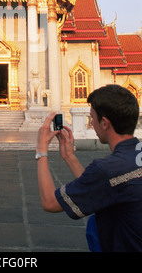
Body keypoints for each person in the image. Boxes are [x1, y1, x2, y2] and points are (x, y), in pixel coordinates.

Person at [36, 84, 142, 252]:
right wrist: (69, 157)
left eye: (92, 117)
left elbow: (49, 202)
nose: (91, 123)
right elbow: (101, 188)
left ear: (105, 123)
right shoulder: (121, 164)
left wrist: (41, 150)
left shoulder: (107, 169)